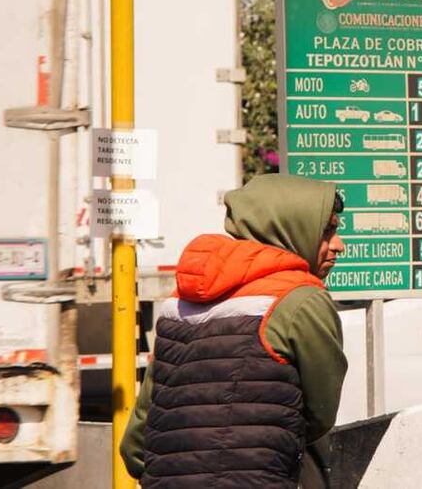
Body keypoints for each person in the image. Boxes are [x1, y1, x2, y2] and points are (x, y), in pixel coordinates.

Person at [120, 174, 347, 488]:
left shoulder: (179, 304)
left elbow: (135, 443)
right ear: (293, 227)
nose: (339, 246)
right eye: (328, 231)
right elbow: (318, 415)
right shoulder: (301, 301)